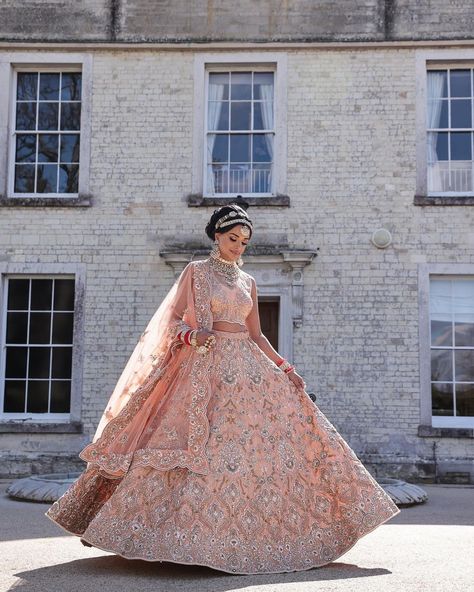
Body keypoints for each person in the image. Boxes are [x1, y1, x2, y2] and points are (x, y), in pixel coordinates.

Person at [46, 202, 400, 575]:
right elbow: (171, 319)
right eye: (233, 238)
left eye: (245, 241)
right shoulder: (196, 272)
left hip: (247, 366)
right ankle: (172, 537)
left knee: (267, 441)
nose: (239, 246)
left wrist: (286, 368)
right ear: (217, 235)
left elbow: (257, 335)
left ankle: (258, 538)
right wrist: (191, 333)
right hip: (202, 367)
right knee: (198, 442)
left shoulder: (248, 282)